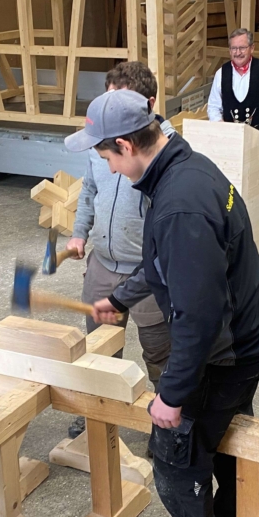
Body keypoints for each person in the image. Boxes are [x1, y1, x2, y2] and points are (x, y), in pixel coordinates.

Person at [65, 90, 259, 517]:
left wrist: (174, 395)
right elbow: (169, 263)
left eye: (107, 158)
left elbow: (198, 317)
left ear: (126, 144)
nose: (111, 170)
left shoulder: (179, 205)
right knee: (219, 435)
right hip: (249, 331)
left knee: (175, 448)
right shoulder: (184, 167)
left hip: (231, 348)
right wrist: (121, 297)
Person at [63, 61, 174, 441]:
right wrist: (80, 233)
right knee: (98, 349)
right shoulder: (102, 142)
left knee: (159, 352)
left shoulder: (165, 159)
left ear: (148, 105)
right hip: (103, 265)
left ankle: (166, 421)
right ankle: (99, 415)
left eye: (119, 103)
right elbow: (90, 190)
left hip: (148, 274)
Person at [207, 28, 259, 233]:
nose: (237, 52)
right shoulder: (221, 72)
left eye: (242, 47)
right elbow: (213, 107)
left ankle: (257, 230)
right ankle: (231, 229)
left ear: (252, 48)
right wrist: (223, 131)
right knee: (228, 184)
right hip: (231, 139)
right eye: (233, 48)